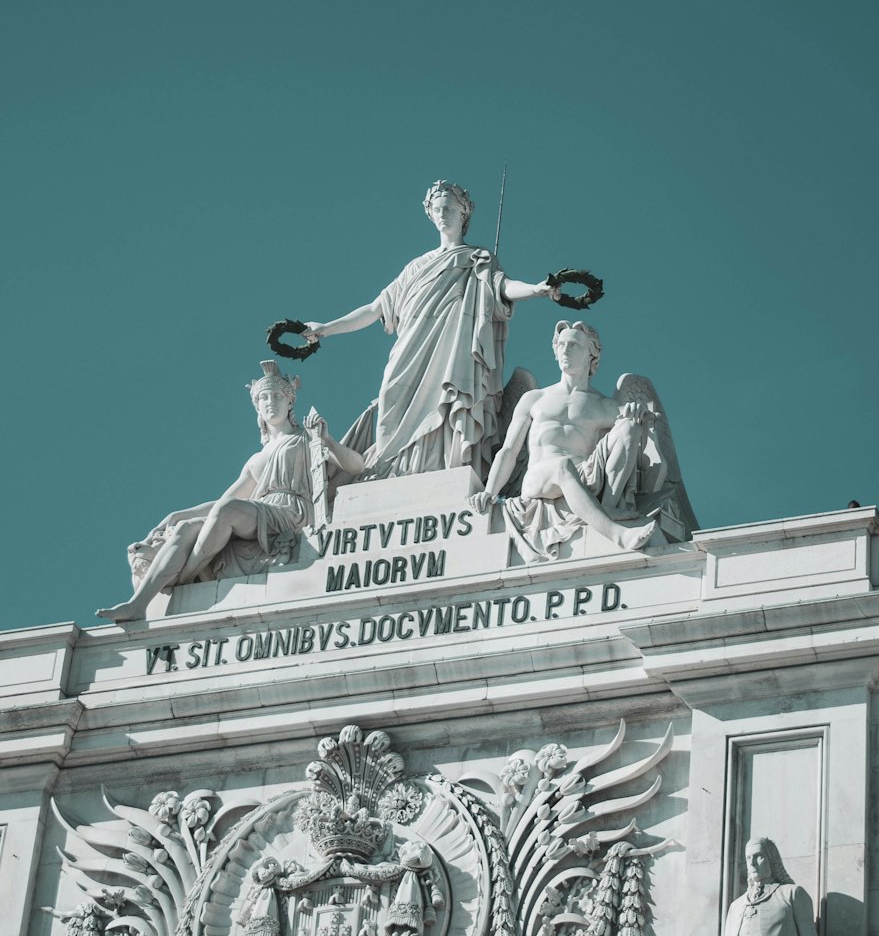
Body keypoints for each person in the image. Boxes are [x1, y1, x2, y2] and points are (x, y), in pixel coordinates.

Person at [303, 180, 556, 482]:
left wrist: (537, 289)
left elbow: (502, 287)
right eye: (437, 209)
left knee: (449, 400)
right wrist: (326, 329)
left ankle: (445, 469)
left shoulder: (477, 258)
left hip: (455, 351)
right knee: (391, 395)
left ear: (464, 213)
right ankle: (390, 472)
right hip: (410, 349)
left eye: (449, 207)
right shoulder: (415, 268)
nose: (442, 214)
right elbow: (375, 309)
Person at [97, 362, 364, 622]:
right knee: (186, 528)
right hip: (260, 510)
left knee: (226, 513)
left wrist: (327, 439)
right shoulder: (255, 459)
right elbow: (227, 499)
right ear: (257, 406)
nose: (271, 402)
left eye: (277, 396)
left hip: (291, 512)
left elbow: (356, 465)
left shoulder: (307, 437)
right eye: (264, 398)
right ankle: (137, 605)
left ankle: (182, 578)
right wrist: (179, 514)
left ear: (290, 401)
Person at [469, 319, 658, 554]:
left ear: (592, 355)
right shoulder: (534, 398)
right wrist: (490, 492)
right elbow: (509, 451)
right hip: (540, 478)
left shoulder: (606, 406)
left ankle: (606, 507)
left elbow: (638, 429)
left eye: (574, 345)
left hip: (585, 476)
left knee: (629, 427)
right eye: (561, 345)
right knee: (562, 465)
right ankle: (615, 533)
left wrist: (636, 414)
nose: (566, 350)